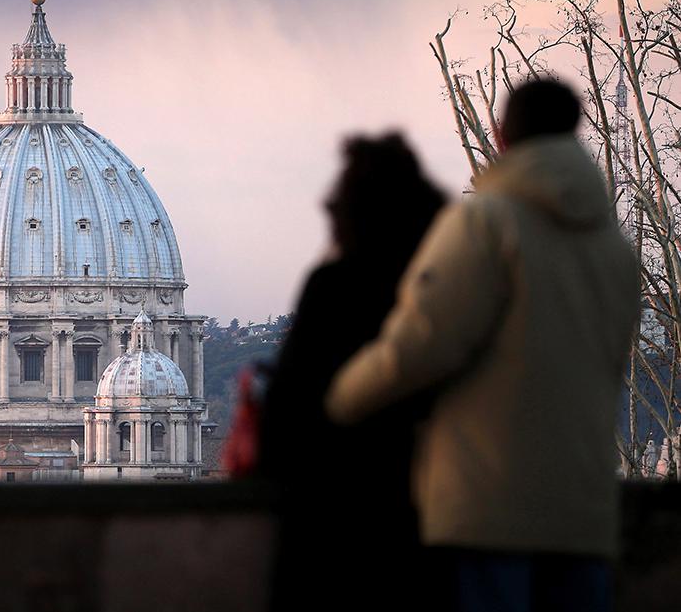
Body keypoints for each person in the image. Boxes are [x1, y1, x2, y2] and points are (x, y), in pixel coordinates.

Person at [326, 79, 641, 612]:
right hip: (586, 514)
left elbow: (421, 347)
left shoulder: (484, 224)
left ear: (499, 136)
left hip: (492, 511)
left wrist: (337, 399)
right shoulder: (615, 250)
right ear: (575, 132)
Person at [259, 132, 446, 607]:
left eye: (335, 208)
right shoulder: (442, 298)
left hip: (328, 529)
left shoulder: (332, 289)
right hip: (424, 532)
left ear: (352, 217)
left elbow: (283, 422)